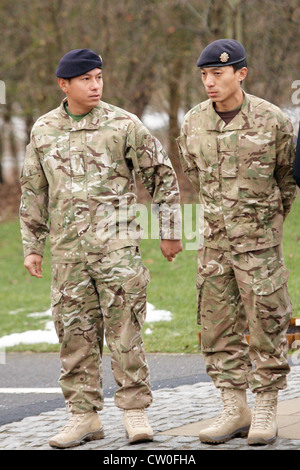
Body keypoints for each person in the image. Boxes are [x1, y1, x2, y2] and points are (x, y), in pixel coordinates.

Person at [20, 48, 182, 449]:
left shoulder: (122, 123)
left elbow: (161, 174)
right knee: (74, 334)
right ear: (64, 85)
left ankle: (134, 412)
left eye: (99, 78)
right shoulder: (43, 130)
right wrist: (33, 246)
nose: (96, 86)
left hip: (117, 250)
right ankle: (83, 417)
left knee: (126, 329)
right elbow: (33, 190)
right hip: (68, 254)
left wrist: (170, 231)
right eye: (86, 79)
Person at [177, 39, 296, 446]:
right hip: (213, 246)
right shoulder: (192, 122)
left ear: (240, 73)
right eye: (204, 75)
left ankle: (265, 408)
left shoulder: (273, 120)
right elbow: (194, 174)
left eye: (218, 73)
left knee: (267, 323)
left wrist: (263, 225)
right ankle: (234, 407)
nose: (209, 82)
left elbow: (286, 182)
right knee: (217, 328)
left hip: (259, 246)